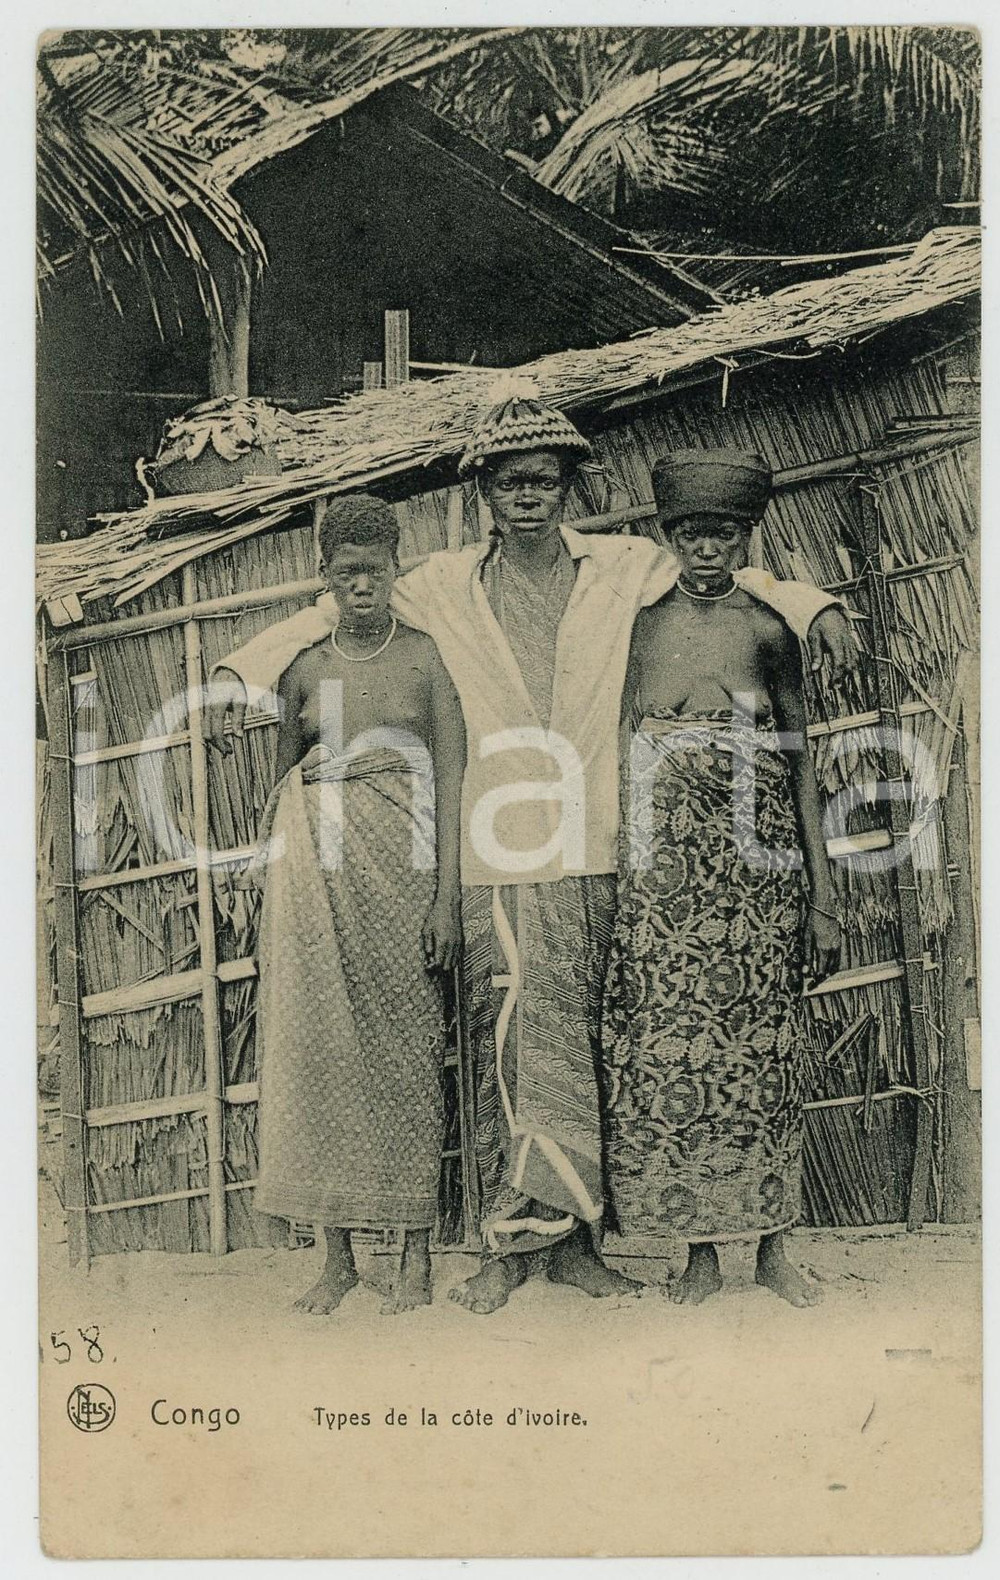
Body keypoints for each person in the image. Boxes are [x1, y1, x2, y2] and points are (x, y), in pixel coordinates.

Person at [207, 385, 857, 1315]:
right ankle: (509, 1251)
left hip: (600, 843)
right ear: (484, 494)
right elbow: (333, 611)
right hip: (495, 849)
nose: (528, 498)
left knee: (592, 1044)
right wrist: (242, 670)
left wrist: (816, 605)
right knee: (508, 1047)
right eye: (511, 483)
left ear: (568, 488)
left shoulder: (623, 566)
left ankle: (582, 1244)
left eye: (545, 482)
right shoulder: (442, 583)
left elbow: (724, 574)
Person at [601, 450, 841, 1307]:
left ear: (746, 537)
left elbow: (801, 758)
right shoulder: (639, 626)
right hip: (666, 876)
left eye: (724, 534)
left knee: (767, 1056)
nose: (707, 548)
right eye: (692, 534)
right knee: (678, 1058)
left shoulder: (769, 630)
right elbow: (616, 742)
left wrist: (822, 892)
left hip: (762, 872)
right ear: (669, 539)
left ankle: (774, 1247)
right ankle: (698, 1250)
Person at [250, 494, 465, 1316]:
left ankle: (408, 1251)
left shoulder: (425, 658)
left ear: (396, 570)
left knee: (408, 1057)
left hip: (404, 880)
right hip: (318, 893)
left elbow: (451, 782)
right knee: (318, 1060)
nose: (363, 585)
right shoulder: (306, 669)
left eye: (376, 570)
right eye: (347, 573)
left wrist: (445, 901)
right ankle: (337, 1258)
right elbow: (282, 787)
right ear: (327, 578)